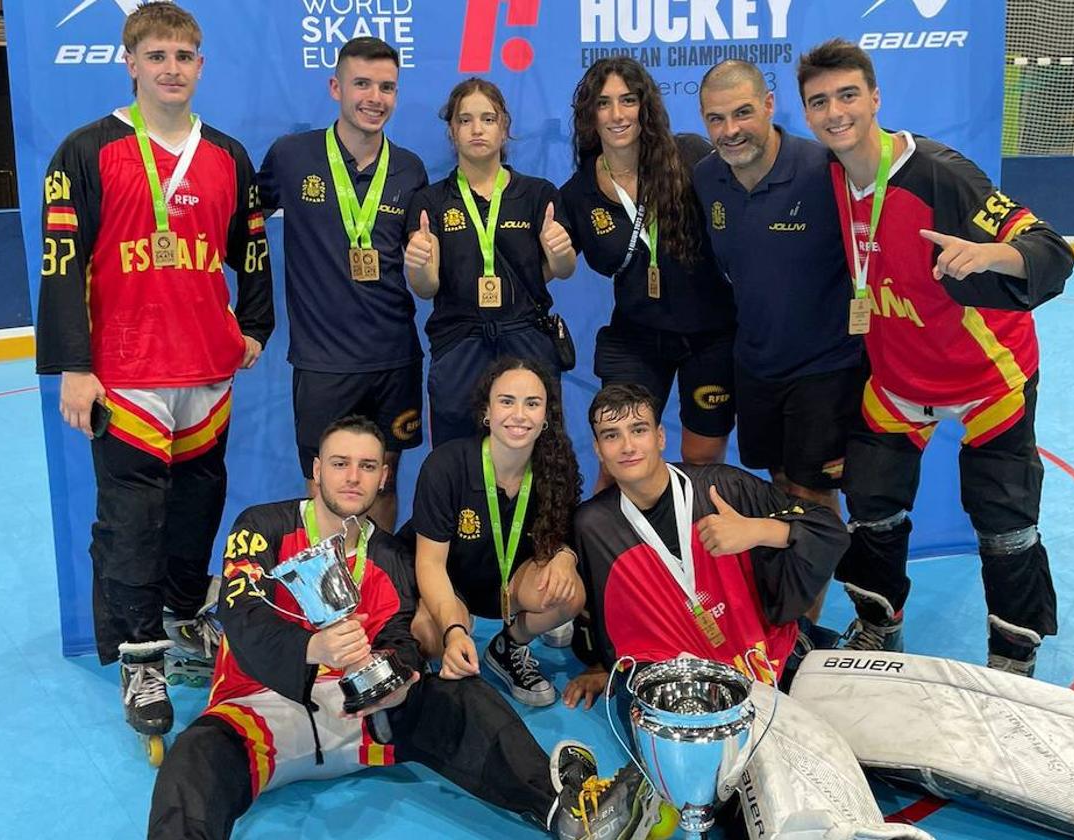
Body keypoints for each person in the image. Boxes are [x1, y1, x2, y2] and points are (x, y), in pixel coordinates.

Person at [147, 416, 657, 840]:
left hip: (360, 720)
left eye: (367, 466)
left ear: (383, 476)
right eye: (341, 464)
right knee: (193, 759)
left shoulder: (390, 554)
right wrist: (312, 646)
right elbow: (240, 614)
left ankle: (569, 814)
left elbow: (400, 640)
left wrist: (396, 677)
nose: (353, 477)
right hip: (256, 716)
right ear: (317, 469)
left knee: (460, 696)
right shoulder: (261, 526)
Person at [34, 1, 274, 744]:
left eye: (185, 56)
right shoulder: (86, 150)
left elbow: (254, 247)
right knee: (134, 518)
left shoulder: (229, 155)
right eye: (158, 55)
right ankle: (141, 656)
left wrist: (255, 327)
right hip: (127, 374)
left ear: (201, 66)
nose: (172, 69)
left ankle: (179, 615)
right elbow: (61, 267)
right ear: (130, 62)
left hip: (206, 372)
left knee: (198, 510)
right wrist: (74, 365)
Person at [797, 39, 1074, 675]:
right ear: (807, 114)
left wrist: (990, 255)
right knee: (870, 507)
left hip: (988, 378)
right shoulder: (833, 173)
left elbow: (1052, 252)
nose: (836, 113)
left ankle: (1012, 657)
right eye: (820, 102)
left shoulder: (940, 174)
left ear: (875, 98)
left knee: (1005, 526)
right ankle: (878, 623)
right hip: (898, 379)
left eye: (847, 96)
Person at [562, 384, 849, 711]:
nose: (627, 446)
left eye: (638, 430)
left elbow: (830, 530)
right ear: (598, 451)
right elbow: (595, 609)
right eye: (611, 435)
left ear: (660, 437)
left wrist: (758, 530)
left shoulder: (724, 486)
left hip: (767, 660)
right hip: (682, 691)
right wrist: (601, 666)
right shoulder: (593, 524)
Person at [256, 36, 427, 530]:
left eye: (387, 87)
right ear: (336, 87)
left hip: (394, 358)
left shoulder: (410, 168)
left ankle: (377, 591)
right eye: (362, 84)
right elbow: (242, 226)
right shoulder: (291, 157)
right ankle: (328, 601)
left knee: (385, 481)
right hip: (322, 364)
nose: (375, 97)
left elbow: (419, 262)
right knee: (323, 488)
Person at [693, 60, 864, 529]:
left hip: (825, 366)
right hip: (756, 366)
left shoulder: (824, 168)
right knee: (782, 483)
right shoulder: (707, 178)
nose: (730, 130)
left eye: (743, 113)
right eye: (715, 118)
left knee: (813, 494)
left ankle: (808, 606)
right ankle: (795, 596)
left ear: (769, 105)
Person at [559, 57, 736, 492]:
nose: (617, 115)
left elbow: (743, 205)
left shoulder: (692, 155)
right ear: (590, 114)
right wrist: (554, 253)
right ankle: (606, 559)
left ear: (645, 106)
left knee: (702, 460)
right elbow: (554, 268)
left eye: (628, 100)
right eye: (604, 103)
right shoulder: (578, 191)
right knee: (618, 459)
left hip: (710, 335)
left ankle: (692, 555)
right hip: (636, 337)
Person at [405, 78, 577, 445]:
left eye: (488, 118)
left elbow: (561, 271)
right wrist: (418, 265)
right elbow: (426, 288)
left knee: (539, 450)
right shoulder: (431, 201)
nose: (477, 129)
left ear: (504, 128)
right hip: (459, 341)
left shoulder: (538, 193)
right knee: (456, 454)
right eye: (465, 120)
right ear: (452, 131)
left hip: (526, 337)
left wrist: (562, 253)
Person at [410, 357, 585, 707]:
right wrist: (454, 630)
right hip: (453, 582)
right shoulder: (446, 466)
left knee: (570, 593)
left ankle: (508, 647)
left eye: (532, 404)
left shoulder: (555, 467)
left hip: (511, 583)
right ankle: (461, 621)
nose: (519, 415)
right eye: (507, 401)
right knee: (428, 638)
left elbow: (564, 535)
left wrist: (566, 558)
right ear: (486, 411)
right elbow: (429, 564)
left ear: (546, 416)